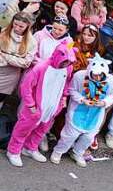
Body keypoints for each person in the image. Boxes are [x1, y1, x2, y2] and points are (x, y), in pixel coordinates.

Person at [5, 38, 74, 166]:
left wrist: (63, 99)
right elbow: (25, 86)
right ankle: (13, 151)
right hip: (35, 107)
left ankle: (30, 148)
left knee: (42, 129)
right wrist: (30, 105)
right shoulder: (41, 67)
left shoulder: (68, 68)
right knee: (23, 129)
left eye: (69, 62)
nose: (66, 65)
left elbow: (66, 84)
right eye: (65, 62)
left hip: (52, 107)